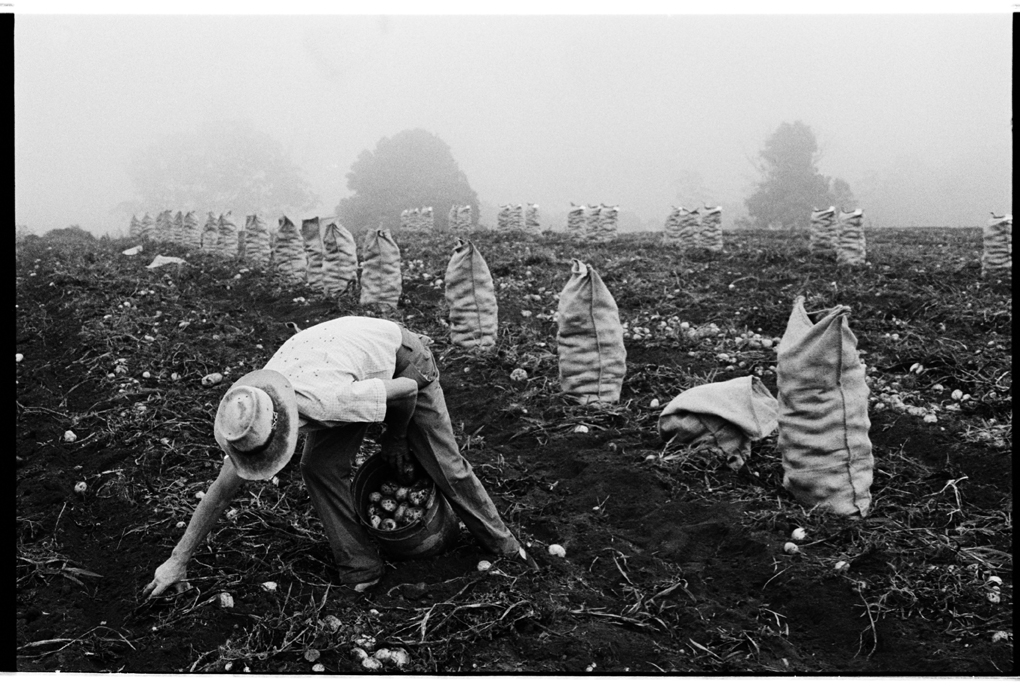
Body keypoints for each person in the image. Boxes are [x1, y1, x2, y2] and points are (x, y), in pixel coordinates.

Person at [144, 315, 536, 598]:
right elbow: (220, 493)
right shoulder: (259, 409)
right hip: (343, 365)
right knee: (318, 466)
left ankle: (504, 547)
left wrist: (397, 439)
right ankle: (361, 565)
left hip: (404, 363)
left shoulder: (328, 404)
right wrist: (177, 560)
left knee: (443, 463)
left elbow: (406, 391)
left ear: (285, 427)